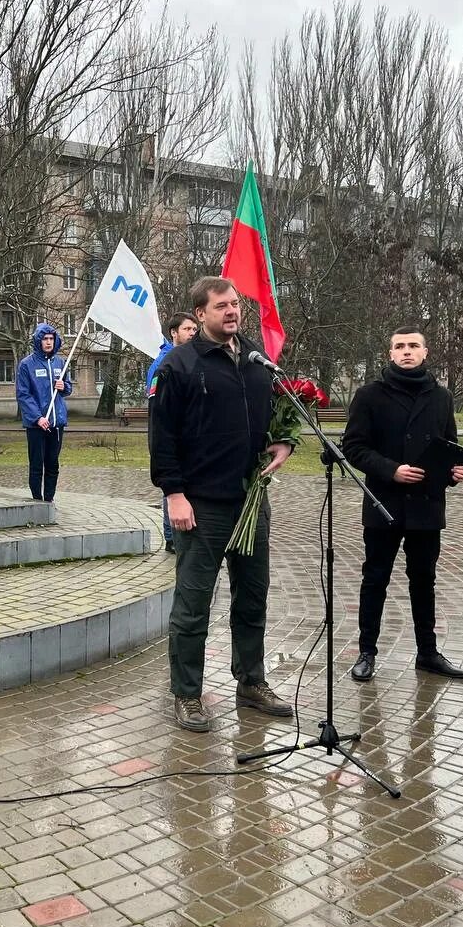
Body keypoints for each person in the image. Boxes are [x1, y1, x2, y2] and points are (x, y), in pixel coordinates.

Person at [149, 277, 295, 732]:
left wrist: (284, 441)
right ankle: (187, 694)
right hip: (201, 506)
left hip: (250, 500)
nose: (233, 312)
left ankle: (251, 681)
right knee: (193, 605)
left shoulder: (255, 359)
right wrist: (174, 494)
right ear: (200, 313)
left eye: (236, 304)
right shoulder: (179, 366)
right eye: (222, 306)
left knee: (253, 597)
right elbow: (162, 439)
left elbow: (273, 413)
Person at [342, 326, 463, 682]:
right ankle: (366, 651)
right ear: (390, 354)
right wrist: (391, 470)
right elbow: (354, 447)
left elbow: (449, 447)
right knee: (375, 579)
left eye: (413, 346)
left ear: (425, 352)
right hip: (384, 502)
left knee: (423, 580)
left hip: (427, 508)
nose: (406, 351)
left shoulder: (441, 397)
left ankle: (427, 653)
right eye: (399, 346)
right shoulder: (370, 395)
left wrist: (453, 473)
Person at [146, 312, 198, 554]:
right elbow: (157, 403)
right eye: (187, 329)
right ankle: (170, 537)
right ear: (174, 333)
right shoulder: (163, 363)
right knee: (172, 487)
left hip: (191, 439)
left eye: (194, 329)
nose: (192, 333)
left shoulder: (195, 358)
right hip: (172, 437)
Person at [16, 321, 72, 502]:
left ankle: (49, 500)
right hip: (37, 425)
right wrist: (37, 417)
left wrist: (64, 386)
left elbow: (68, 388)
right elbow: (23, 395)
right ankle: (36, 499)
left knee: (52, 464)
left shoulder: (60, 363)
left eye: (51, 338)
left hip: (56, 424)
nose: (48, 342)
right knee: (37, 464)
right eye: (45, 339)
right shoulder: (27, 365)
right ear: (38, 341)